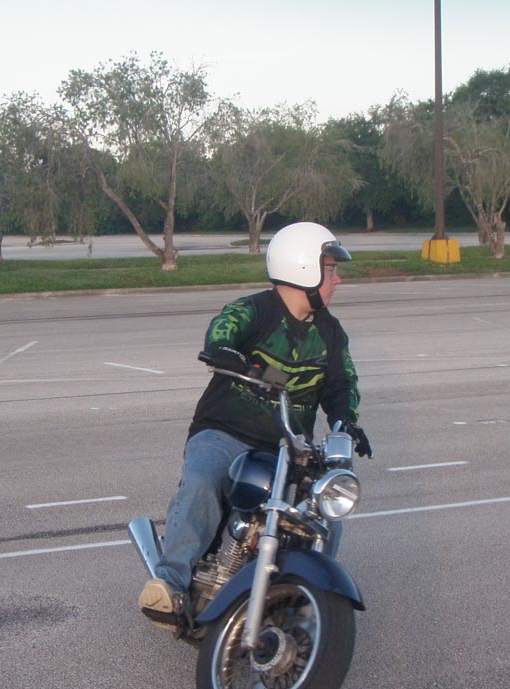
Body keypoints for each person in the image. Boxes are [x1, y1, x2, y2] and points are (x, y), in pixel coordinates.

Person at [138, 221, 372, 630]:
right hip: (225, 431)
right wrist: (223, 350)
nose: (338, 279)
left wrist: (346, 421)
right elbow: (225, 325)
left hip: (287, 446)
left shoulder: (330, 333)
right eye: (331, 270)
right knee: (203, 481)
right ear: (303, 268)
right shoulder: (257, 310)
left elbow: (342, 383)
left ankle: (303, 597)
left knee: (323, 513)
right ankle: (170, 584)